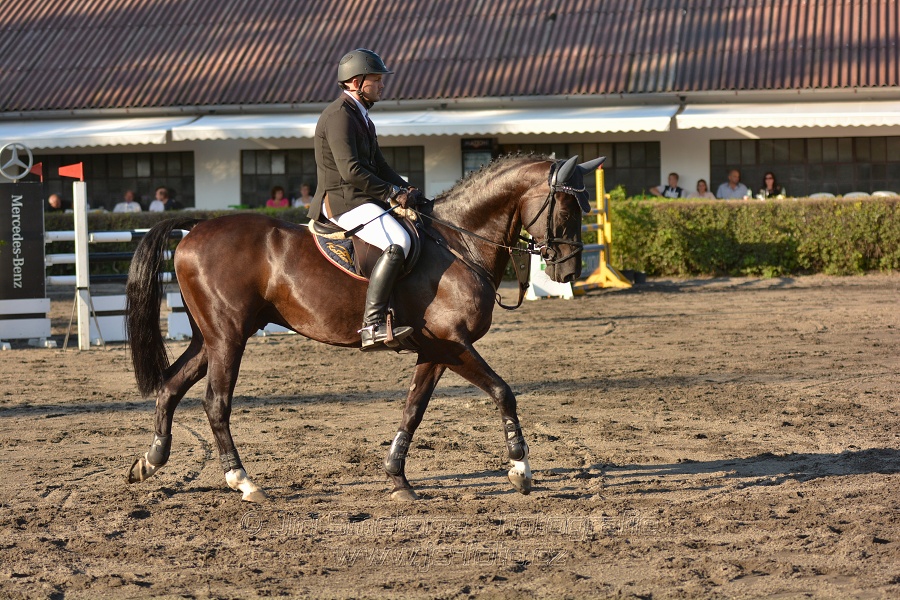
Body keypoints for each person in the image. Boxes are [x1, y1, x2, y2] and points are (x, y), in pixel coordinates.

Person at [308, 48, 424, 351]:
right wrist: (390, 194)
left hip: (361, 198)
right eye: (377, 79)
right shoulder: (338, 116)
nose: (382, 85)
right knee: (397, 242)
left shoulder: (360, 116)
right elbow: (352, 170)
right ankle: (372, 324)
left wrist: (407, 190)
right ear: (356, 81)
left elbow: (380, 166)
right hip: (344, 201)